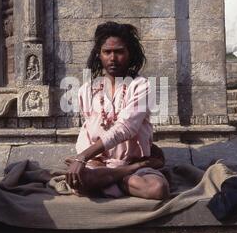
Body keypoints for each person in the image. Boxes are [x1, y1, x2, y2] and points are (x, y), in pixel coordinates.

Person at [64, 22, 170, 200]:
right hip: (100, 164)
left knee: (158, 189)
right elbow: (88, 130)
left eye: (119, 51)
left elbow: (126, 127)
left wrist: (82, 157)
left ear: (130, 54)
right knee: (79, 182)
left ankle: (115, 178)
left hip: (135, 162)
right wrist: (86, 159)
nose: (113, 58)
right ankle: (123, 175)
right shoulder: (86, 90)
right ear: (99, 55)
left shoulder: (140, 85)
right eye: (107, 52)